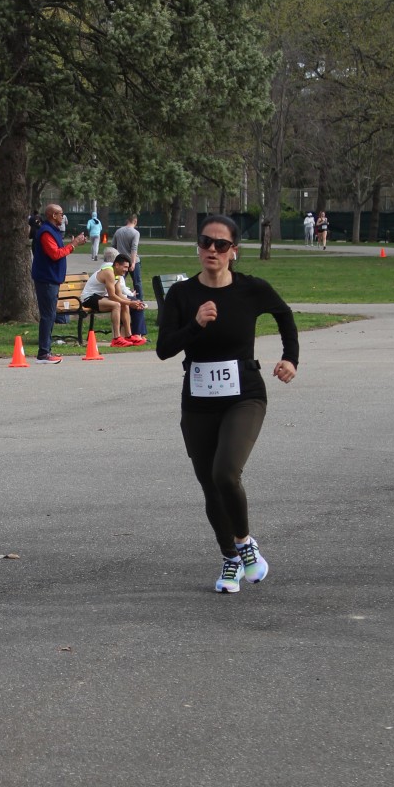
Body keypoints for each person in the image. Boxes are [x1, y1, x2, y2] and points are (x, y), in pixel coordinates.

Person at [156, 215, 299, 593]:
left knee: (225, 473)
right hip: (198, 400)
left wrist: (290, 358)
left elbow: (284, 315)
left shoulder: (251, 289)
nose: (212, 250)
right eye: (206, 242)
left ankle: (245, 544)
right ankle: (230, 558)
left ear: (233, 251)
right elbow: (164, 349)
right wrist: (195, 324)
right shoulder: (182, 294)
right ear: (198, 246)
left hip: (244, 395)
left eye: (221, 245)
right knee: (209, 484)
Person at [31, 202, 88, 363]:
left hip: (52, 279)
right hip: (46, 279)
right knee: (48, 316)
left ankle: (46, 351)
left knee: (50, 315)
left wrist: (73, 245)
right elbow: (55, 254)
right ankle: (43, 353)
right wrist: (73, 244)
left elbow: (59, 252)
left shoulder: (53, 231)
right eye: (61, 214)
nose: (63, 216)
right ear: (53, 215)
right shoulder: (46, 232)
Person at [80, 250, 146, 346]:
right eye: (125, 267)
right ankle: (116, 339)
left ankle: (129, 336)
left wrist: (134, 303)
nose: (126, 270)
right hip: (88, 298)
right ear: (117, 265)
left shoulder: (117, 275)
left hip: (99, 297)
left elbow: (119, 294)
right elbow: (112, 296)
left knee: (123, 304)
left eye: (127, 267)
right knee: (116, 305)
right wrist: (130, 303)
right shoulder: (109, 273)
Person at [112, 214, 146, 338]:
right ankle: (139, 301)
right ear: (135, 221)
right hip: (132, 261)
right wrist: (132, 262)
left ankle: (123, 296)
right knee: (137, 282)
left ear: (127, 220)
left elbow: (113, 246)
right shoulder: (135, 233)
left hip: (120, 261)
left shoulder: (118, 231)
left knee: (119, 282)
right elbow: (134, 248)